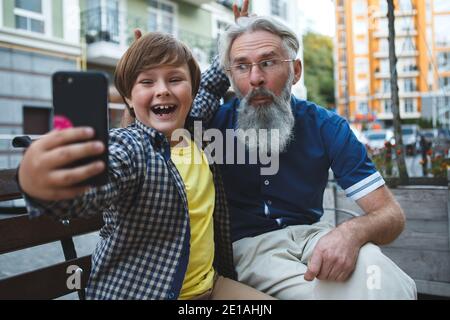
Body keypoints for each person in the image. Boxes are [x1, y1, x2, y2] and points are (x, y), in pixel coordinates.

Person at [17, 32, 274, 300]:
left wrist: (235, 35)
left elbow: (210, 87)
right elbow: (94, 187)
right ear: (128, 97)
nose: (163, 89)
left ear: (191, 90)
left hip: (211, 287)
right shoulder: (130, 147)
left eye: (175, 79)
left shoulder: (194, 127)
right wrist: (45, 182)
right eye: (147, 81)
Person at [191, 14, 417, 299]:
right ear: (230, 75)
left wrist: (350, 233)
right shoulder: (209, 126)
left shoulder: (326, 126)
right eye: (242, 66)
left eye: (268, 62)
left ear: (296, 71)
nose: (255, 77)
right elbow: (147, 143)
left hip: (315, 237)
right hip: (249, 250)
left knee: (383, 277)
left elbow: (391, 215)